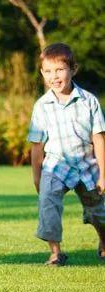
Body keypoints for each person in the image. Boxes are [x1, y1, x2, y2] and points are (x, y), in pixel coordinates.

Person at [28, 43, 105, 266]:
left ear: (73, 69)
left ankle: (103, 241)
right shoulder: (41, 106)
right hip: (55, 166)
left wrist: (103, 174)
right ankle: (55, 252)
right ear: (42, 73)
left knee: (98, 212)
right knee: (48, 204)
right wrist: (37, 177)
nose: (55, 76)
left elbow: (99, 139)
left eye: (60, 70)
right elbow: (36, 146)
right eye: (49, 71)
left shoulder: (89, 101)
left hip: (86, 165)